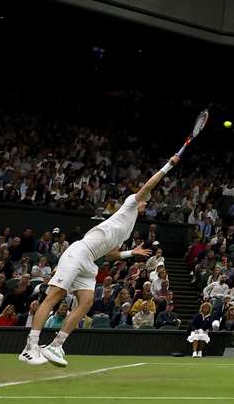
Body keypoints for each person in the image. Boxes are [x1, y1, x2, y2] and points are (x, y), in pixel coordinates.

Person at [19, 155, 179, 366]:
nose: (145, 203)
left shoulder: (128, 229)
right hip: (79, 252)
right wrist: (169, 164)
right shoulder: (129, 205)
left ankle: (56, 346)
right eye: (145, 201)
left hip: (90, 262)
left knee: (86, 302)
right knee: (55, 296)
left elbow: (110, 255)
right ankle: (30, 347)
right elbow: (149, 184)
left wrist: (131, 253)